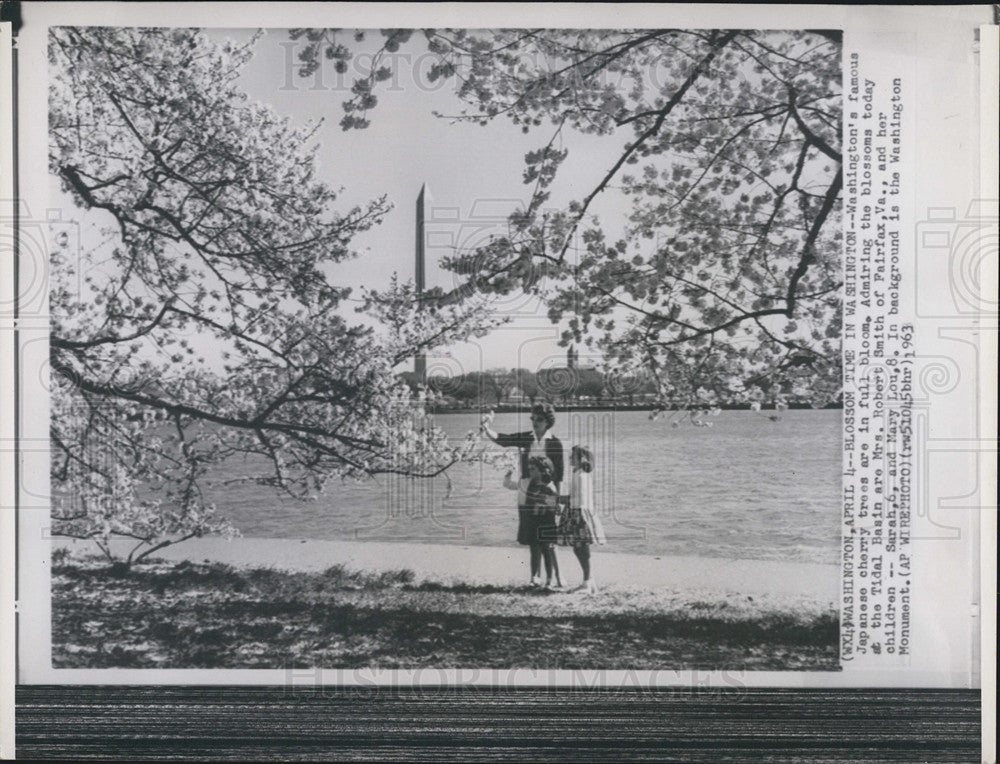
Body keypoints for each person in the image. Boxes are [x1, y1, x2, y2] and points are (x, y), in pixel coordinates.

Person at [482, 402, 565, 588]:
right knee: (532, 540)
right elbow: (503, 440)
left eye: (540, 419)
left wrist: (557, 501)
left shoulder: (555, 443)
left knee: (548, 539)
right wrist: (487, 428)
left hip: (547, 494)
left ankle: (555, 577)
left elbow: (559, 475)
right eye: (533, 419)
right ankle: (535, 576)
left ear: (548, 422)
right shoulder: (527, 438)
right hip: (526, 493)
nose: (535, 422)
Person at [505, 455, 563, 589]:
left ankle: (549, 579)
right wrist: (509, 474)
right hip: (533, 521)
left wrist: (546, 505)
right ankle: (534, 577)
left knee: (547, 550)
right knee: (534, 549)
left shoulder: (549, 486)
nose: (530, 471)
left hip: (546, 522)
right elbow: (510, 485)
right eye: (529, 468)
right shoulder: (529, 483)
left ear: (543, 470)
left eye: (533, 469)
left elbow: (555, 506)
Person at [557, 446, 606, 594]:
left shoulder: (581, 476)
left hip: (580, 513)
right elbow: (577, 497)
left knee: (581, 547)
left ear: (581, 459)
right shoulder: (579, 474)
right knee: (579, 547)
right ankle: (589, 581)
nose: (570, 458)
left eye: (573, 456)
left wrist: (563, 500)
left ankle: (587, 583)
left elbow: (581, 499)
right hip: (577, 511)